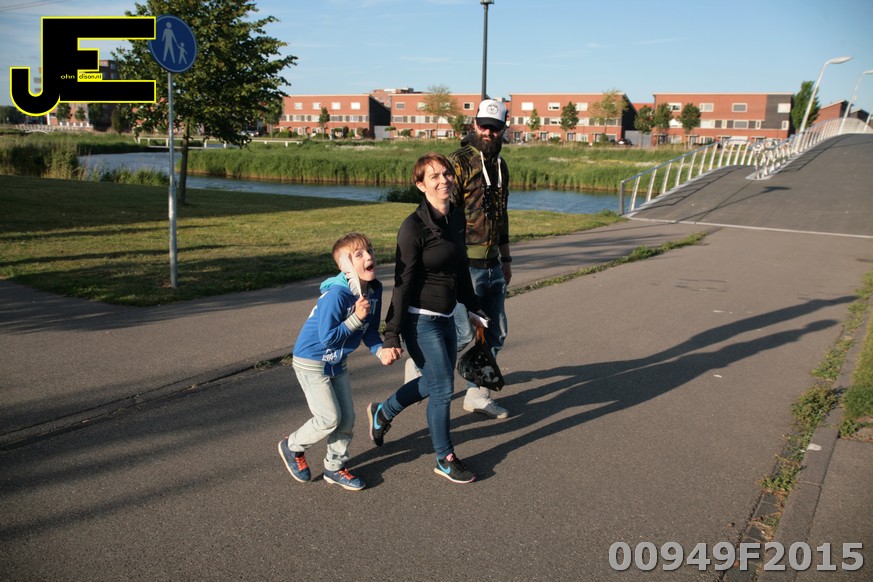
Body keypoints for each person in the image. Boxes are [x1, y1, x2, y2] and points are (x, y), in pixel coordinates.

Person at [366, 153, 488, 484]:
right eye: (433, 176)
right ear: (420, 185)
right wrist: (391, 335)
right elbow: (402, 283)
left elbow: (460, 266)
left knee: (432, 382)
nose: (443, 180)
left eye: (446, 173)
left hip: (447, 316)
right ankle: (444, 458)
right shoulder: (413, 228)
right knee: (443, 387)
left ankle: (383, 412)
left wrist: (473, 306)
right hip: (420, 321)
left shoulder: (456, 217)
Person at [278, 233, 401, 491]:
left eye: (370, 250)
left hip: (337, 362)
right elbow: (328, 338)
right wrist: (356, 317)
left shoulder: (374, 289)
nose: (369, 256)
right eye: (359, 254)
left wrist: (380, 351)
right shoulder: (337, 295)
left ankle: (334, 467)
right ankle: (292, 446)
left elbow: (368, 330)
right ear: (344, 265)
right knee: (328, 418)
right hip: (312, 360)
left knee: (346, 419)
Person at [449, 98, 513, 420]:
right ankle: (421, 367)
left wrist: (506, 257)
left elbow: (502, 215)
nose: (488, 132)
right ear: (475, 125)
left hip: (492, 265)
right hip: (465, 264)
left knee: (495, 332)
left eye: (495, 128)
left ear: (503, 129)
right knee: (462, 333)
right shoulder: (458, 162)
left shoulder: (501, 167)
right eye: (484, 126)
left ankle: (477, 394)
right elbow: (445, 215)